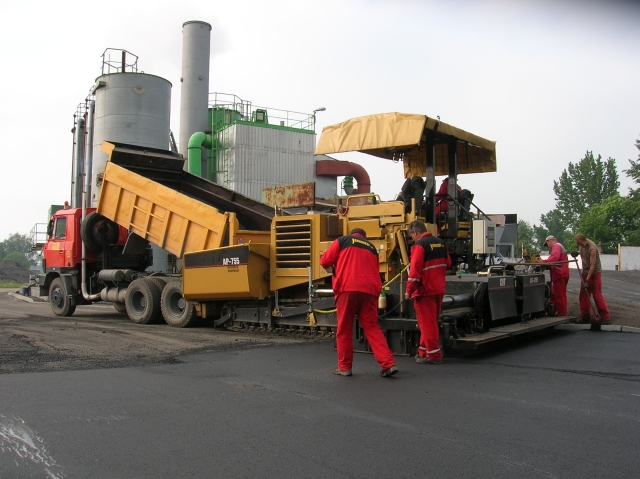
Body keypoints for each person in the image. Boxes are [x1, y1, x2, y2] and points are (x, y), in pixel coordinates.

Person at [320, 228, 398, 378]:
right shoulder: (371, 248)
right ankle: (388, 364)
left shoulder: (342, 241)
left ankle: (344, 367)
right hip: (369, 292)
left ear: (352, 234)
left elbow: (325, 261)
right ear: (364, 236)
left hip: (347, 289)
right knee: (372, 328)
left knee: (344, 329)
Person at [405, 219, 451, 364]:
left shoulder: (419, 246)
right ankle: (423, 351)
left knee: (427, 324)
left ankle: (434, 355)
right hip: (438, 289)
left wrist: (409, 290)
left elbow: (415, 270)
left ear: (415, 232)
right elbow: (448, 263)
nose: (412, 239)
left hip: (425, 290)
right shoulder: (441, 243)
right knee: (430, 322)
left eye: (411, 236)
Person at [574, 233, 610, 325]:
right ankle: (585, 317)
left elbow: (592, 266)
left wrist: (587, 279)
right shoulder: (582, 245)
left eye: (581, 244)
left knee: (597, 295)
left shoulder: (592, 249)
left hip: (594, 273)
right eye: (579, 245)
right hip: (585, 272)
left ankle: (605, 317)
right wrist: (577, 253)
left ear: (585, 240)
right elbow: (582, 251)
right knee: (583, 295)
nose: (580, 246)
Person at [536, 235, 570, 316]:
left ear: (550, 241)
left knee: (560, 295)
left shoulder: (556, 246)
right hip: (559, 274)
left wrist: (543, 262)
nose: (548, 246)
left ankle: (562, 314)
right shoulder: (557, 247)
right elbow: (554, 260)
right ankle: (554, 312)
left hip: (560, 274)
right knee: (554, 295)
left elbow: (555, 258)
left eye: (547, 243)